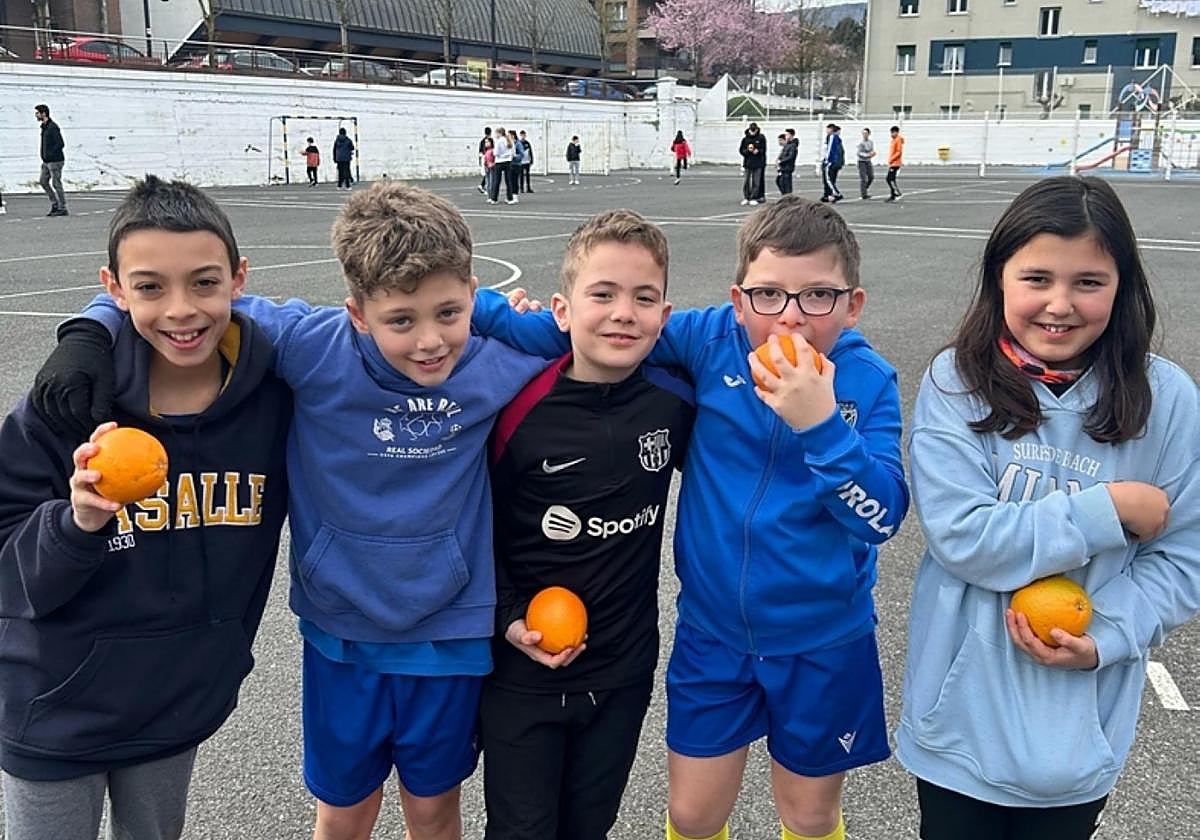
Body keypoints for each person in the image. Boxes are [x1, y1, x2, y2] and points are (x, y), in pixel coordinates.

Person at [32, 182, 552, 840]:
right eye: (401, 320)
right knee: (343, 810)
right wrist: (85, 333)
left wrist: (503, 319)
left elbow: (587, 335)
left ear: (472, 297)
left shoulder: (493, 362)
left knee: (433, 808)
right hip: (341, 632)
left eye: (449, 313)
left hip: (446, 634)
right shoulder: (314, 346)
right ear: (358, 313)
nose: (429, 341)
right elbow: (186, 304)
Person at [471, 194, 908, 840]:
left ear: (853, 304)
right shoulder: (709, 341)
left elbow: (881, 516)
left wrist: (821, 427)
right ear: (738, 301)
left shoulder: (867, 382)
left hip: (823, 640)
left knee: (809, 815)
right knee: (692, 814)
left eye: (818, 296)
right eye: (768, 295)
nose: (790, 316)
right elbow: (605, 328)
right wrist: (470, 308)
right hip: (714, 636)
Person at [898, 176, 1200, 840]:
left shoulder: (1169, 399)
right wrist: (1108, 508)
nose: (1059, 305)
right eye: (1037, 278)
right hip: (960, 732)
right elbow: (964, 537)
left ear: (1122, 287)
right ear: (999, 278)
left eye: (1088, 282)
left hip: (1078, 732)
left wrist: (1106, 634)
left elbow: (1184, 560)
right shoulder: (957, 383)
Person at [2, 175, 291, 840]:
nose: (181, 309)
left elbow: (383, 342)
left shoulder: (273, 400)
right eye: (150, 287)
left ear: (239, 278)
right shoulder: (67, 405)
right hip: (56, 709)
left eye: (204, 282)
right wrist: (76, 524)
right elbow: (10, 569)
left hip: (175, 703)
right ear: (114, 288)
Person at [482, 209, 695, 840]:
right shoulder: (516, 406)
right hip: (523, 670)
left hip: (623, 668)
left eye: (644, 298)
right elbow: (471, 525)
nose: (624, 312)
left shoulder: (678, 401)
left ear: (665, 314)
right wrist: (507, 616)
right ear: (562, 309)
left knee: (588, 828)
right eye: (602, 294)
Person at [36, 104, 67, 217]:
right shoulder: (44, 127)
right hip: (46, 161)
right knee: (43, 181)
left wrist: (50, 154)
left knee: (56, 183)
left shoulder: (52, 127)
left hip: (55, 161)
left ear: (44, 113)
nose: (36, 115)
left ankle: (62, 207)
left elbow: (60, 143)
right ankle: (55, 204)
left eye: (38, 113)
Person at [739, 123, 766, 206]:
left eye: (754, 130)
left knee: (756, 181)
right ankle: (746, 197)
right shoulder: (745, 139)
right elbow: (741, 150)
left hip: (758, 163)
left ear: (757, 129)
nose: (753, 132)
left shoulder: (761, 138)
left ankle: (754, 197)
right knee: (746, 181)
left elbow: (763, 149)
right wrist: (747, 151)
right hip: (748, 163)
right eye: (751, 130)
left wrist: (758, 151)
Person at [820, 123, 844, 204]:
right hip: (833, 162)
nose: (826, 131)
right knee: (828, 179)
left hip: (830, 162)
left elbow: (829, 150)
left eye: (828, 129)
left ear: (831, 129)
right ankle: (829, 195)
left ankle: (836, 193)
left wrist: (827, 160)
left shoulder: (832, 137)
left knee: (828, 179)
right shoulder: (834, 138)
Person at [492, 125, 515, 204]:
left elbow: (496, 152)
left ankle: (494, 198)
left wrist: (496, 155)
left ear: (499, 133)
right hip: (508, 161)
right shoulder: (508, 140)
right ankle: (510, 198)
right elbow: (512, 151)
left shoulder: (499, 141)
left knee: (497, 180)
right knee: (508, 180)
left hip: (499, 161)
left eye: (496, 133)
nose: (495, 135)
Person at [856, 128, 875, 200]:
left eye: (866, 133)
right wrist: (867, 155)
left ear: (869, 134)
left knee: (871, 176)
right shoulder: (861, 143)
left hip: (868, 161)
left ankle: (864, 188)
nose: (864, 135)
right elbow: (859, 153)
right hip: (861, 162)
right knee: (863, 178)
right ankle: (864, 194)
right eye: (863, 134)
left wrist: (872, 153)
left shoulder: (871, 142)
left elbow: (872, 150)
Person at [885, 125, 904, 202]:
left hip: (895, 163)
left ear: (896, 132)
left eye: (893, 133)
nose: (891, 134)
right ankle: (893, 194)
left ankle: (896, 192)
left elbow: (899, 152)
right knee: (890, 179)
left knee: (890, 179)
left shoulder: (898, 140)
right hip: (893, 163)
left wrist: (891, 159)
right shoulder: (894, 140)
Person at [776, 130, 797, 196]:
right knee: (780, 182)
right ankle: (785, 196)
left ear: (791, 135)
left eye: (787, 134)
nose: (786, 136)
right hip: (783, 167)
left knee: (786, 184)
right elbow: (783, 154)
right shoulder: (788, 145)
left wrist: (781, 161)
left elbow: (790, 156)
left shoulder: (792, 146)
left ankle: (788, 198)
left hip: (787, 167)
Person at [506, 130, 523, 204]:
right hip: (510, 164)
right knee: (510, 181)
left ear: (513, 136)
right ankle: (511, 196)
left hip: (516, 164)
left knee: (515, 181)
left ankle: (515, 196)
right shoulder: (509, 143)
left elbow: (522, 154)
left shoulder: (518, 144)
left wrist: (515, 157)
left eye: (509, 135)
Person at [483, 136, 497, 204]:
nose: (486, 143)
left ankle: (492, 196)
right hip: (487, 167)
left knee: (491, 183)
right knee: (488, 183)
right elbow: (485, 159)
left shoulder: (493, 150)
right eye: (485, 142)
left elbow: (496, 159)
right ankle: (489, 197)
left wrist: (493, 164)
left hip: (492, 167)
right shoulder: (486, 151)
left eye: (488, 142)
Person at [479, 126, 493, 195]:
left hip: (483, 157)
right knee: (489, 174)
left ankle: (483, 186)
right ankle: (484, 187)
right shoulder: (489, 140)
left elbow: (480, 151)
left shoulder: (482, 141)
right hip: (488, 158)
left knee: (487, 174)